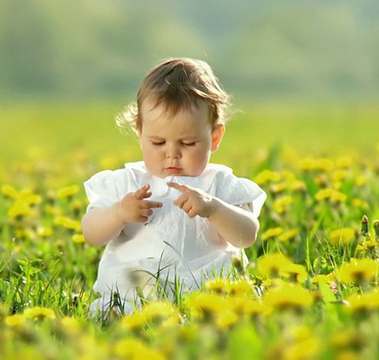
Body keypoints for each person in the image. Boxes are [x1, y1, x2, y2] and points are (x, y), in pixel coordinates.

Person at [81, 57, 266, 319]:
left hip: (208, 297)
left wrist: (213, 208)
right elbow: (91, 233)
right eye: (158, 142)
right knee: (114, 319)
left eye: (188, 143)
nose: (172, 154)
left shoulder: (220, 184)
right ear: (140, 132)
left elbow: (246, 235)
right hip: (132, 297)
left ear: (214, 137)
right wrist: (119, 214)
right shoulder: (126, 182)